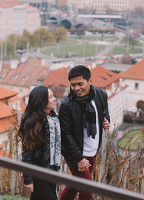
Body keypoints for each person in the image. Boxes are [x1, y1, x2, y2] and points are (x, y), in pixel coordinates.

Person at [59, 65, 110, 200]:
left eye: (80, 84)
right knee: (87, 191)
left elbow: (105, 111)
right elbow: (66, 135)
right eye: (73, 85)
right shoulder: (67, 105)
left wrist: (106, 120)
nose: (76, 88)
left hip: (93, 151)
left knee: (74, 185)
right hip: (76, 153)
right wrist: (79, 158)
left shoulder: (101, 94)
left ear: (90, 81)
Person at [18, 86, 61, 200]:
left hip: (51, 169)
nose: (54, 99)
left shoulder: (53, 119)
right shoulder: (33, 122)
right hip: (37, 171)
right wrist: (28, 178)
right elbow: (27, 152)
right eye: (51, 97)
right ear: (42, 101)